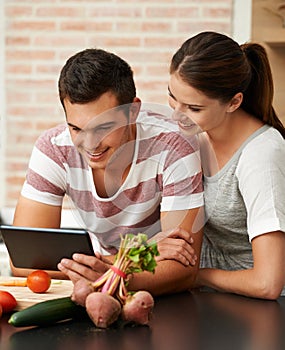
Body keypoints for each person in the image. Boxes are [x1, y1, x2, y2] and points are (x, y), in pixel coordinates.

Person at [12, 48, 204, 296]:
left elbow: (184, 270)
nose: (90, 144)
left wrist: (106, 271)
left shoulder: (174, 146)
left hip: (165, 302)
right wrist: (116, 265)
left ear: (132, 112)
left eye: (103, 127)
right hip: (115, 286)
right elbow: (25, 261)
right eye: (77, 128)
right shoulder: (54, 148)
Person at [168, 31, 285, 299]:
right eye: (172, 97)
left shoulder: (261, 156)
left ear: (234, 102)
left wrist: (195, 274)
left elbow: (268, 283)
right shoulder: (197, 138)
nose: (176, 115)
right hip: (208, 298)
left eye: (193, 108)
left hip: (260, 309)